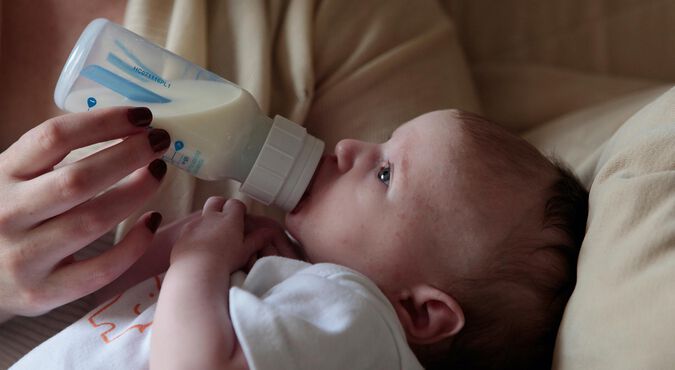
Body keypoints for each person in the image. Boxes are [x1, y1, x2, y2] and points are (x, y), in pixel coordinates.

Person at [11, 109, 589, 370]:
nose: (349, 149)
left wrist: (200, 262)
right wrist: (184, 250)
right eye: (382, 143)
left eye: (386, 173)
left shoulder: (358, 323)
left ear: (418, 309)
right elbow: (136, 317)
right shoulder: (306, 301)